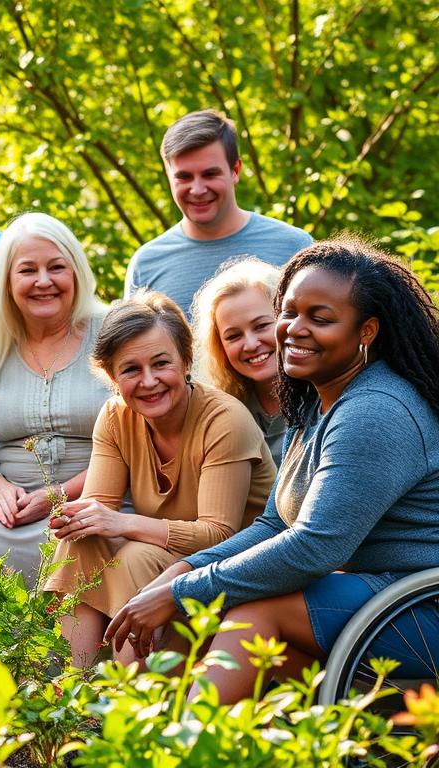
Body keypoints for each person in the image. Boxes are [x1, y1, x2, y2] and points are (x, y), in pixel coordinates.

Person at [106, 237, 439, 703]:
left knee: (252, 614)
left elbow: (313, 547)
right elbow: (276, 523)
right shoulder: (320, 401)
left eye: (320, 319)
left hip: (416, 605)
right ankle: (140, 721)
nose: (294, 329)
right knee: (204, 604)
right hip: (372, 595)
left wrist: (182, 592)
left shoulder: (375, 411)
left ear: (366, 331)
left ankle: (182, 747)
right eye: (289, 311)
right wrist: (183, 572)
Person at [44, 291, 276, 667]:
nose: (149, 381)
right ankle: (78, 687)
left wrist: (121, 521)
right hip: (172, 556)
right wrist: (74, 518)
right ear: (111, 376)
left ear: (186, 361)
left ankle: (132, 695)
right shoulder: (117, 416)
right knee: (80, 541)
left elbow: (220, 534)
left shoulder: (224, 420)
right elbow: (97, 509)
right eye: (131, 369)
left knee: (136, 556)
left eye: (161, 363)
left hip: (237, 566)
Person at [0, 213, 111, 611]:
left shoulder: (111, 332)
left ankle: (78, 673)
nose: (43, 281)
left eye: (56, 267)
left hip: (95, 499)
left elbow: (136, 447)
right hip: (13, 509)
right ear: (7, 282)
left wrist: (56, 496)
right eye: (28, 270)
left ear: (76, 272)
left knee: (83, 540)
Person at [124, 110, 312, 314]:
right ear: (169, 177)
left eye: (210, 174)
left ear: (236, 171)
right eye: (184, 177)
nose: (197, 190)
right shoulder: (146, 265)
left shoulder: (294, 247)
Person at [191, 258, 285, 466]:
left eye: (261, 326)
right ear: (219, 347)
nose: (250, 344)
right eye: (233, 336)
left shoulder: (326, 401)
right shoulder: (220, 414)